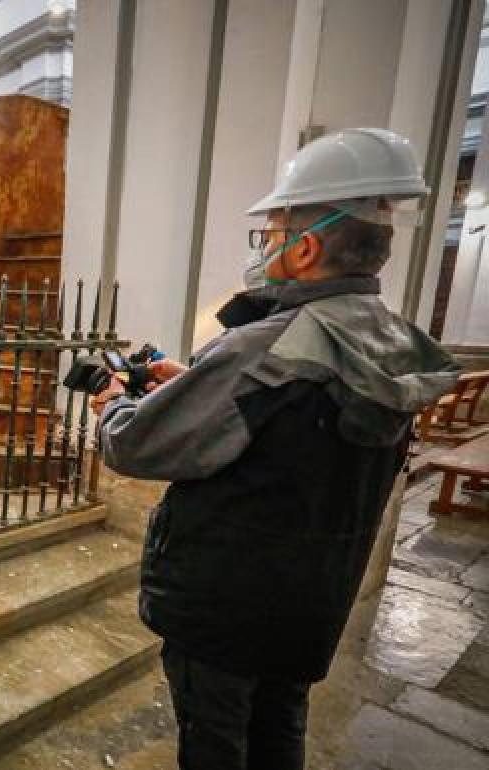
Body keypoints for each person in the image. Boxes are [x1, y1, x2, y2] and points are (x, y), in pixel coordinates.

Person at [90, 127, 460, 770]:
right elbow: (292, 432)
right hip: (311, 603)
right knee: (280, 727)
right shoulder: (392, 339)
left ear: (308, 244)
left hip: (226, 604)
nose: (265, 246)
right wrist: (201, 388)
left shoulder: (262, 350)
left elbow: (133, 446)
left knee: (214, 740)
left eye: (273, 231)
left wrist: (114, 405)